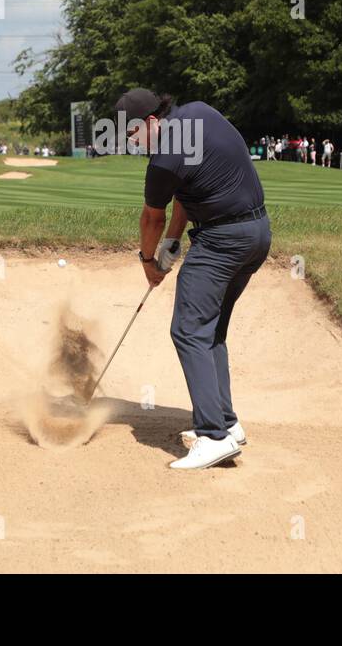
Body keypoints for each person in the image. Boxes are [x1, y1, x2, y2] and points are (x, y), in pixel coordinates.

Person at [115, 88, 270, 470]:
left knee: (188, 329)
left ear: (150, 122)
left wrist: (149, 262)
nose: (131, 143)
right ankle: (229, 426)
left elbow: (151, 216)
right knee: (210, 330)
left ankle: (212, 436)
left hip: (222, 241)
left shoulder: (164, 157)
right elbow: (187, 191)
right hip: (257, 234)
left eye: (133, 134)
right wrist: (174, 238)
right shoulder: (199, 112)